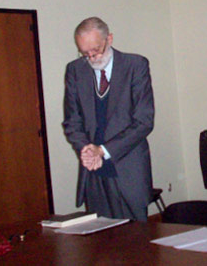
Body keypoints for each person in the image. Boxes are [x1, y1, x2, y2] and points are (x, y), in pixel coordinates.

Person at [62, 17, 154, 221]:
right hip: (94, 171)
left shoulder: (135, 65)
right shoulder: (75, 70)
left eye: (95, 50)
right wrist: (86, 150)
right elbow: (72, 120)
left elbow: (144, 121)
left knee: (136, 240)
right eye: (85, 53)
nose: (92, 57)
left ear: (109, 39)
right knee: (101, 244)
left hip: (128, 168)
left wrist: (103, 150)